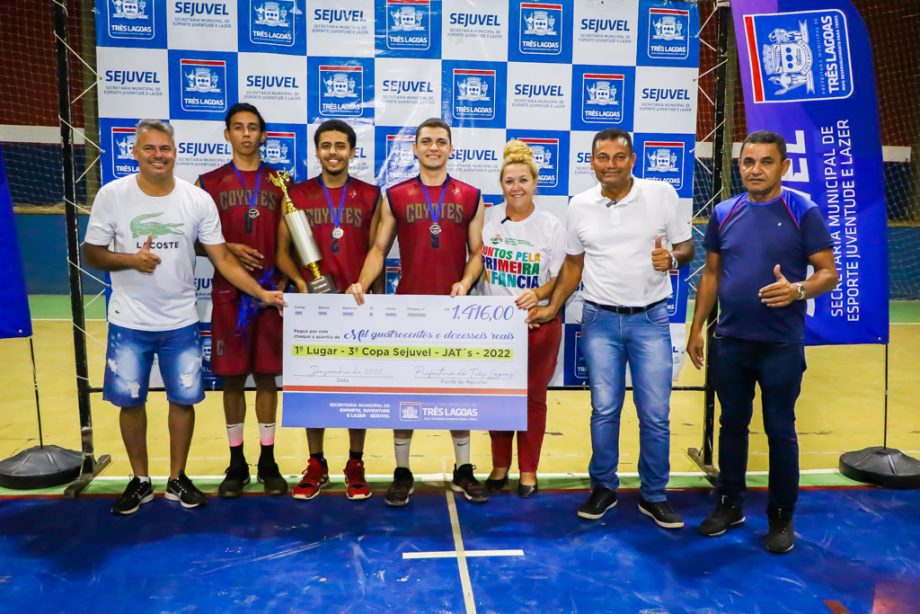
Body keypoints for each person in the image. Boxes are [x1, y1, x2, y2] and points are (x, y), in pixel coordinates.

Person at [84, 119, 285, 515]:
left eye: (165, 148)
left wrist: (261, 293)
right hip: (129, 320)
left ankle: (177, 478)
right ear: (135, 152)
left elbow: (222, 257)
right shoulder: (112, 195)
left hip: (180, 320)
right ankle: (141, 481)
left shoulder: (197, 200)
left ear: (175, 152)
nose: (158, 155)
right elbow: (91, 253)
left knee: (182, 401)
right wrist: (130, 260)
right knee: (131, 402)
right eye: (149, 149)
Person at [529, 128, 694, 529]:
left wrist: (670, 257)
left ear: (632, 160)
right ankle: (603, 487)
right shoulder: (580, 205)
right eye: (602, 157)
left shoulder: (662, 195)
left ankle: (654, 494)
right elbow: (573, 264)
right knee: (604, 410)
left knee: (655, 413)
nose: (611, 165)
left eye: (619, 157)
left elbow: (688, 248)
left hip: (651, 321)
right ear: (592, 162)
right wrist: (553, 307)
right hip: (599, 321)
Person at [687, 130, 838, 553]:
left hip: (780, 346)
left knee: (779, 430)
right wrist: (698, 326)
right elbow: (712, 274)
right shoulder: (723, 212)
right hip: (731, 341)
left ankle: (780, 516)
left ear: (783, 166)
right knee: (731, 426)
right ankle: (730, 504)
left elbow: (828, 272)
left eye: (766, 162)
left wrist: (797, 291)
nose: (756, 170)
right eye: (748, 162)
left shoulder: (801, 211)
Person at [347, 117, 488, 506]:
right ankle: (402, 471)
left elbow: (477, 253)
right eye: (426, 141)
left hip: (453, 311)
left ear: (451, 148)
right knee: (406, 395)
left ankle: (463, 469)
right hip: (408, 309)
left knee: (456, 395)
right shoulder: (396, 194)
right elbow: (378, 250)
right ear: (414, 148)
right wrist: (361, 282)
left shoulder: (471, 195)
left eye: (441, 141)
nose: (433, 147)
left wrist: (465, 281)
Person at [276, 119, 382, 501]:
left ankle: (355, 462)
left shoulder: (371, 195)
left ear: (353, 152)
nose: (333, 152)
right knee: (315, 387)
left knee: (357, 389)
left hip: (356, 306)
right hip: (313, 309)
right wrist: (302, 284)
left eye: (341, 145)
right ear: (317, 151)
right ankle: (316, 462)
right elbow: (281, 254)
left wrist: (367, 290)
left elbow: (377, 251)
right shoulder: (296, 194)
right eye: (326, 145)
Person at [196, 103, 287, 498]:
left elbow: (292, 239)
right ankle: (236, 462)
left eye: (253, 128)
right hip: (229, 296)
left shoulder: (281, 182)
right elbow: (194, 240)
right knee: (232, 379)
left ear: (263, 135)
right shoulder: (208, 182)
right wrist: (225, 247)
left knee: (267, 377)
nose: (246, 134)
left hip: (270, 293)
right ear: (227, 134)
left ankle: (267, 460)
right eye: (238, 127)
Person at [477, 140, 564, 498]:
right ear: (501, 184)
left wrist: (541, 296)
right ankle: (500, 466)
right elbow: (476, 262)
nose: (516, 187)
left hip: (538, 325)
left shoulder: (551, 225)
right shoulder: (488, 218)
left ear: (535, 183)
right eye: (509, 181)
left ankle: (528, 470)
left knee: (532, 398)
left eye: (523, 180)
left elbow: (562, 276)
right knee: (498, 397)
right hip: (495, 328)